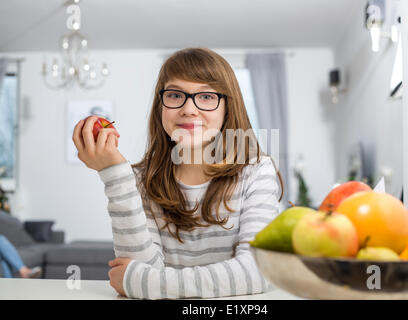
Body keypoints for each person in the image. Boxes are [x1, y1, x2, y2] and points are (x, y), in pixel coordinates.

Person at [72, 48, 284, 299]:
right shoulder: (140, 180)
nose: (189, 109)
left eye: (206, 96)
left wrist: (143, 283)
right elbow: (142, 271)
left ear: (229, 107)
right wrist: (114, 174)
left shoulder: (256, 170)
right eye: (175, 95)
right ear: (160, 105)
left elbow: (258, 272)